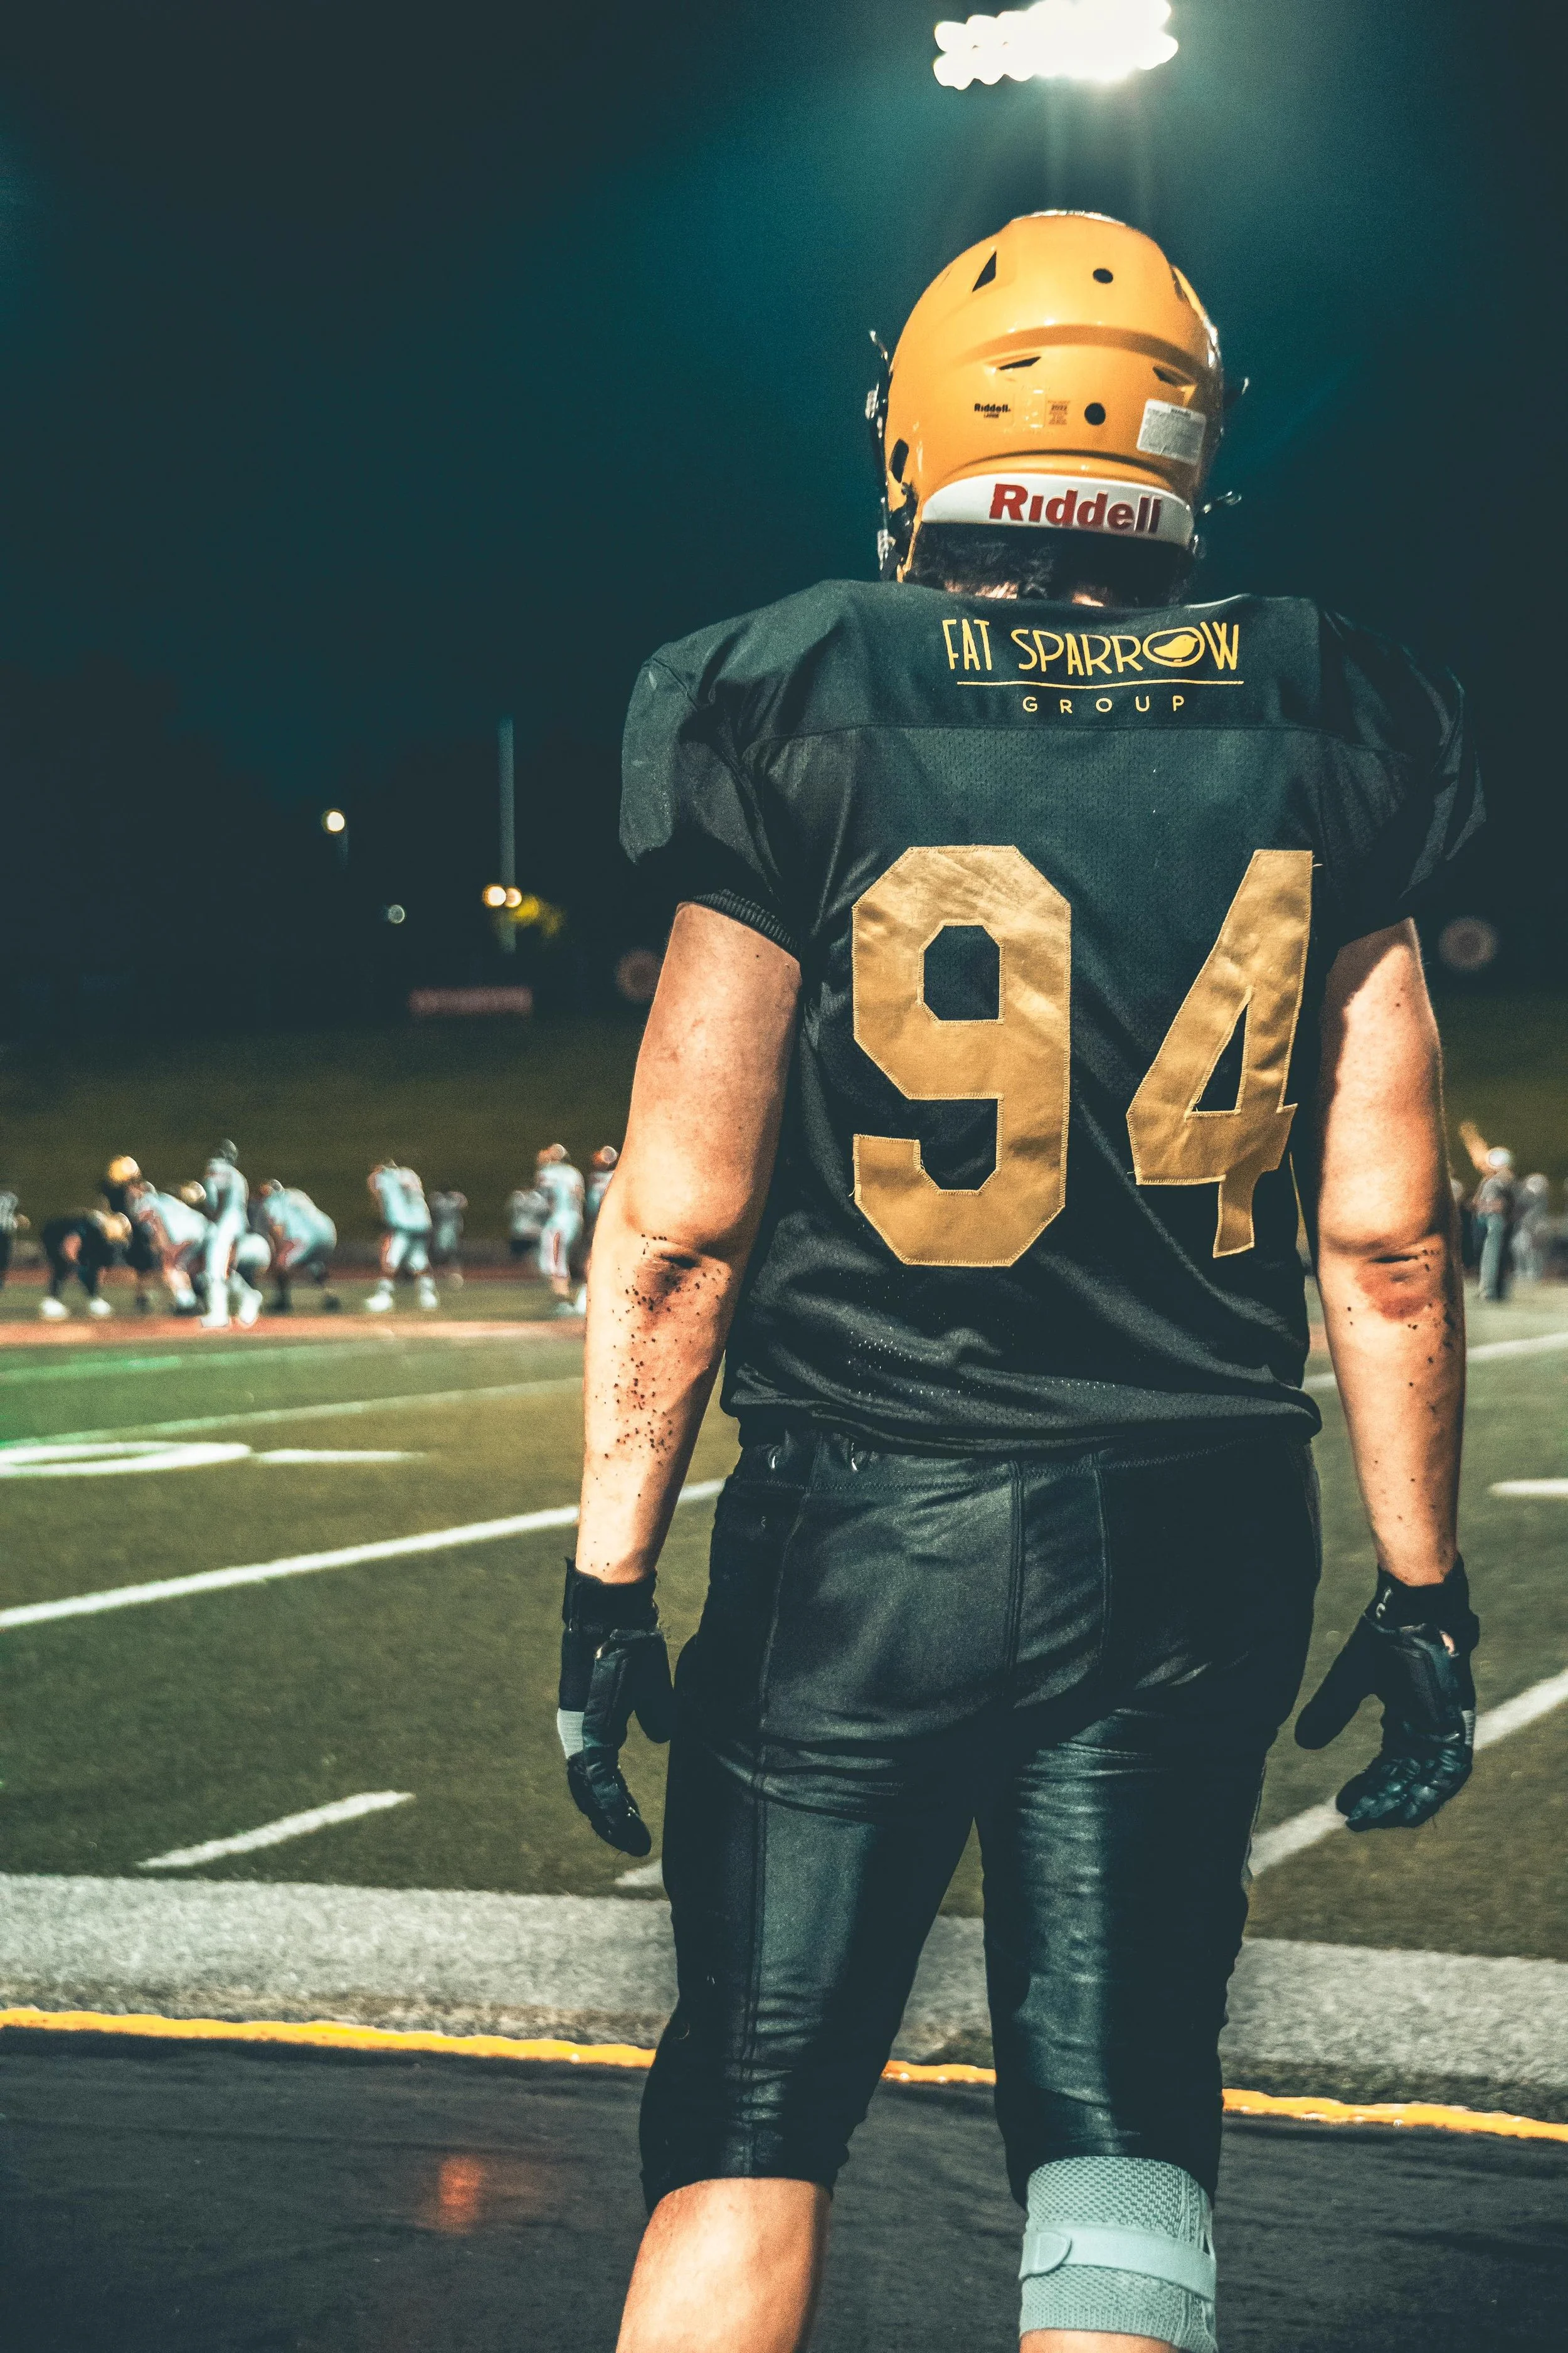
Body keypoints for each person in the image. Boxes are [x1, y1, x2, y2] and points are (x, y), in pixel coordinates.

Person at [559, 214, 1483, 2353]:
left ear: (921, 436)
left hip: (856, 1529)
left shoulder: (790, 687)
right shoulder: (1339, 703)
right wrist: (1423, 1587)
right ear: (1182, 446)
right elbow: (1391, 1241)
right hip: (1188, 1528)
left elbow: (679, 1224)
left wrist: (611, 1578)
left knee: (752, 2116)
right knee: (1121, 2120)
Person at [125, 1177, 210, 1313]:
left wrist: (167, 1248)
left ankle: (187, 1303)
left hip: (188, 1235)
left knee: (171, 1267)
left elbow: (154, 1218)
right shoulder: (164, 1198)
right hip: (205, 1229)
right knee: (191, 1266)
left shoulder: (145, 1203)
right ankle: (200, 1294)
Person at [255, 1180, 339, 1313]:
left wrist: (279, 1254)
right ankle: (330, 1295)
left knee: (281, 1263)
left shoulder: (272, 1202)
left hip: (304, 1238)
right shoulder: (296, 1193)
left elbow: (278, 1228)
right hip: (328, 1233)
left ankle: (282, 1301)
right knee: (313, 1262)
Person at [198, 1141, 255, 1330]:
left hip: (225, 1225)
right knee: (227, 1270)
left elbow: (214, 1201)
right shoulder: (239, 1177)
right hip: (240, 1225)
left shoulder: (215, 1169)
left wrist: (213, 1222)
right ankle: (248, 1297)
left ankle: (219, 1314)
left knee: (214, 1269)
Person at [366, 1159, 438, 1312]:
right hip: (423, 1223)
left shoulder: (384, 1177)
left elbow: (378, 1195)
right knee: (418, 1260)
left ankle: (384, 1296)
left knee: (390, 1259)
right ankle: (428, 1296)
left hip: (404, 1224)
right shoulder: (409, 1173)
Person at [40, 1209, 130, 1319]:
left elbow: (100, 1267)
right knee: (63, 1266)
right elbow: (70, 1245)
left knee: (91, 1267)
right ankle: (50, 1301)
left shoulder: (102, 1238)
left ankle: (94, 1299)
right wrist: (76, 1265)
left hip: (73, 1241)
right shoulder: (90, 1226)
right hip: (54, 1236)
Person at [102, 1154, 159, 1314]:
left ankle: (143, 1296)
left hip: (139, 1233)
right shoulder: (115, 1193)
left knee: (146, 1264)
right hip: (125, 1234)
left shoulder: (144, 1189)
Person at [534, 1142, 586, 1313]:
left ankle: (563, 1299)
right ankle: (566, 1297)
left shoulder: (547, 1173)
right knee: (561, 1258)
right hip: (574, 1220)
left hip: (558, 1220)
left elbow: (544, 1200)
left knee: (555, 1261)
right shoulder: (574, 1173)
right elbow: (579, 1197)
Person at [1471, 1146, 1517, 1304]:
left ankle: (1489, 1291)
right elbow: (1477, 1202)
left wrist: (1484, 1207)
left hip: (1495, 1221)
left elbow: (1500, 1205)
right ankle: (1490, 1289)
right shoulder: (1492, 1180)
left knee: (1492, 1257)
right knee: (1489, 1257)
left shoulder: (1502, 1180)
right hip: (1489, 1221)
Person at [430, 1186, 468, 1288]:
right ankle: (447, 1274)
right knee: (446, 1254)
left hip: (447, 1230)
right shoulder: (450, 1200)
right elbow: (464, 1203)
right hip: (446, 1230)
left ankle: (450, 1274)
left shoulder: (439, 1200)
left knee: (448, 1254)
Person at [507, 1180, 548, 1270]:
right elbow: (545, 1211)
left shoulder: (516, 1197)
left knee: (519, 1258)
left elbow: (509, 1211)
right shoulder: (537, 1198)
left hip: (518, 1230)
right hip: (533, 1231)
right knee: (532, 1256)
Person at [0, 1181, 29, 1293]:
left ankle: (1, 1282)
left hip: (6, 1231)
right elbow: (20, 1217)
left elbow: (19, 1217)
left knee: (4, 1258)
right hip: (6, 1232)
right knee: (4, 1258)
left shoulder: (12, 1198)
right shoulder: (12, 1198)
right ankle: (1, 1282)